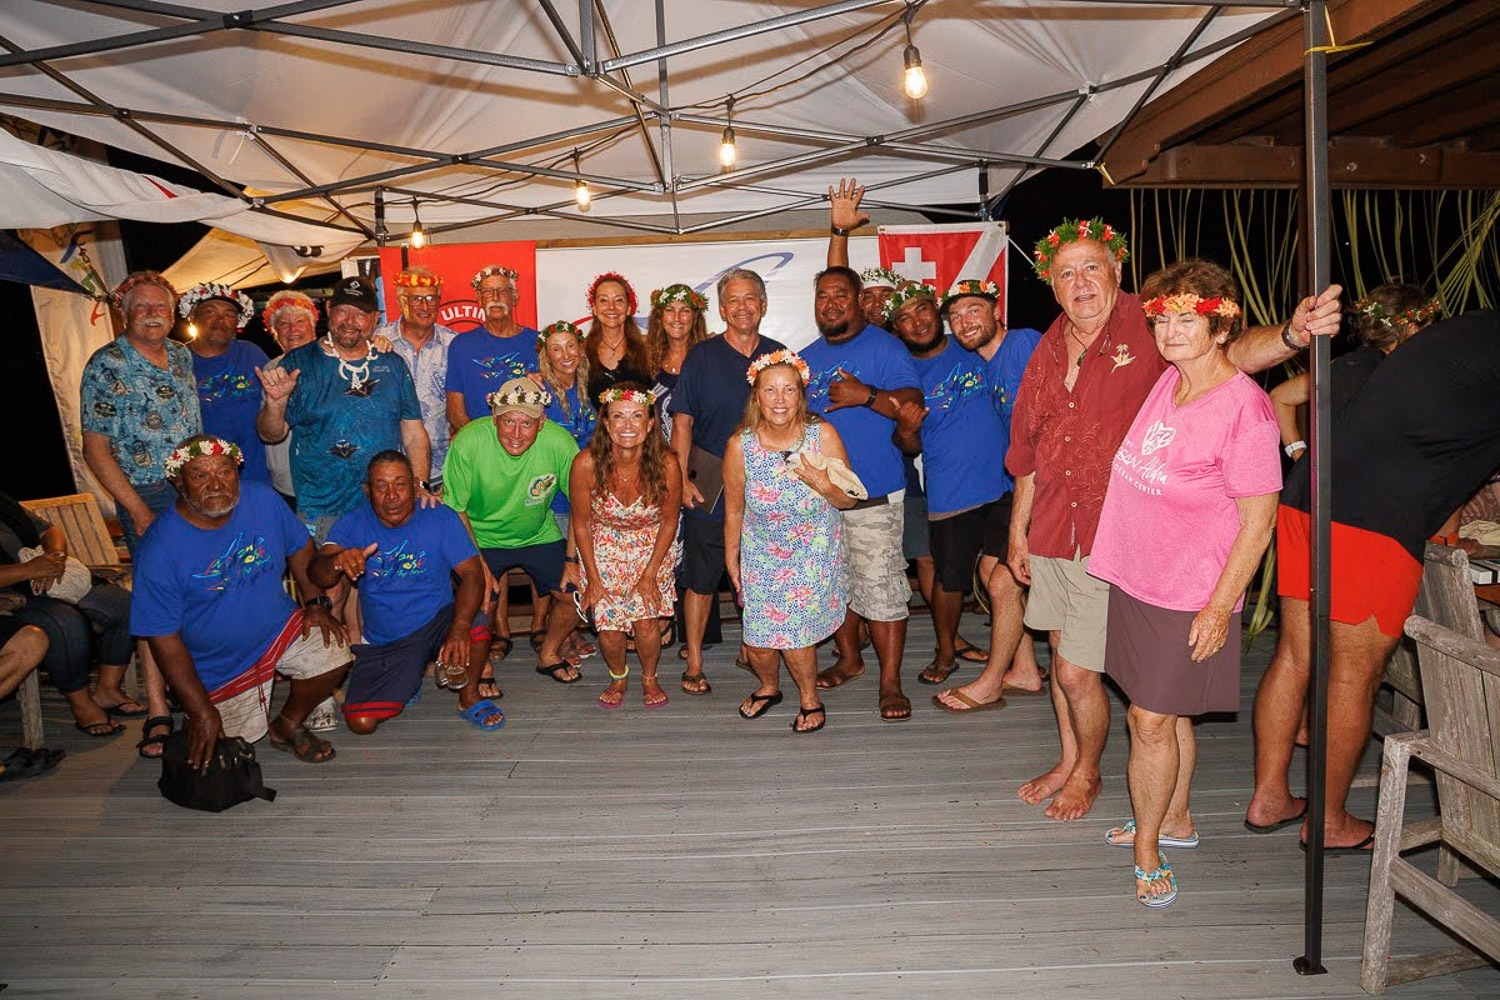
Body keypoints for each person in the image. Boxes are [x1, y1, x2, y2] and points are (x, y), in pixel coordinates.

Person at [1006, 217, 1342, 822]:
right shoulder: (1049, 343)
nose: (1080, 283)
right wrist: (1018, 529)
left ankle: (1087, 773)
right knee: (1062, 656)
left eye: (1091, 268)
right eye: (1066, 274)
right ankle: (1071, 758)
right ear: (1051, 286)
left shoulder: (1153, 322)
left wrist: (1292, 336)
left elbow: (1231, 353)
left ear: (1117, 271)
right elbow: (1029, 446)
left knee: (1083, 673)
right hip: (1056, 528)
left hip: (1118, 539)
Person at [1247, 308, 1500, 850]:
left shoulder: (1470, 331)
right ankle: (1328, 821)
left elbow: (1444, 445)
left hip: (1310, 496)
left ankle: (1270, 797)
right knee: (1353, 675)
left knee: (1296, 654)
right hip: (1374, 518)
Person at [1086, 261, 1281, 907]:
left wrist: (1219, 609)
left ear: (1221, 327)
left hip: (1190, 593)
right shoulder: (1172, 379)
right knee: (1166, 714)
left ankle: (1148, 850)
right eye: (1162, 319)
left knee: (1147, 720)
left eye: (1186, 319)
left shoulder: (1246, 412)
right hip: (1138, 579)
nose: (1169, 331)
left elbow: (1259, 523)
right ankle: (1175, 818)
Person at [130, 435, 351, 767]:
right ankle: (209, 709)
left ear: (237, 471)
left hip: (278, 631)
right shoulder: (159, 548)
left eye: (224, 471)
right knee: (221, 756)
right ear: (178, 482)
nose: (216, 484)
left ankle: (288, 725)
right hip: (219, 665)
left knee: (334, 648)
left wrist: (316, 603)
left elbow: (300, 547)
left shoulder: (262, 499)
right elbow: (163, 640)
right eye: (200, 475)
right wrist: (200, 710)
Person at [885, 282, 1043, 712]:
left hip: (1010, 484)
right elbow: (908, 444)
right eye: (905, 318)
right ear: (897, 329)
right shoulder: (904, 374)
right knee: (965, 579)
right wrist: (906, 428)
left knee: (1002, 578)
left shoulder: (989, 345)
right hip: (954, 489)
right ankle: (1010, 665)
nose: (918, 322)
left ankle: (999, 676)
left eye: (923, 310)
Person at [800, 267, 925, 722]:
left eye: (840, 294)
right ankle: (850, 659)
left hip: (874, 494)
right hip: (819, 498)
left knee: (882, 590)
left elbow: (912, 402)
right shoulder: (804, 358)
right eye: (823, 296)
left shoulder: (884, 346)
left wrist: (866, 395)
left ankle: (890, 683)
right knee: (836, 586)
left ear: (857, 301)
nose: (830, 303)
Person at [80, 270, 194, 756]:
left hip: (193, 493)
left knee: (195, 594)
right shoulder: (106, 364)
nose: (152, 314)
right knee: (156, 604)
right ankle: (158, 711)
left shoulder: (182, 355)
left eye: (160, 306)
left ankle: (194, 692)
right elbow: (95, 449)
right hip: (145, 494)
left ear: (173, 313)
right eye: (141, 306)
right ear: (123, 313)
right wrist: (137, 509)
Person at [310, 452, 499, 733]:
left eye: (400, 484)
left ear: (414, 485)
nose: (391, 495)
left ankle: (469, 698)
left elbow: (472, 574)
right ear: (368, 491)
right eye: (381, 486)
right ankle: (409, 677)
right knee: (361, 723)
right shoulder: (354, 522)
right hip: (387, 640)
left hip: (437, 621)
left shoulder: (439, 516)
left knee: (476, 625)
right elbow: (317, 573)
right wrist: (337, 561)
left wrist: (459, 628)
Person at [725, 350, 855, 733]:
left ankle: (810, 699)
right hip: (761, 553)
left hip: (813, 551)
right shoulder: (740, 446)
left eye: (789, 390)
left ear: (801, 395)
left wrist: (821, 483)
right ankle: (768, 687)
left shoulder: (822, 435)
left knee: (794, 632)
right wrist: (732, 557)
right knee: (758, 640)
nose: (779, 399)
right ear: (757, 397)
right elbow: (733, 509)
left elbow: (848, 499)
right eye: (770, 390)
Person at [671, 269, 787, 695]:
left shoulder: (780, 357)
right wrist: (681, 479)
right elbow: (682, 423)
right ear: (722, 310)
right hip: (709, 480)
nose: (743, 307)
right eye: (733, 300)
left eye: (750, 298)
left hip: (765, 483)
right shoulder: (701, 357)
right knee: (702, 577)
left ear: (763, 305)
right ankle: (694, 662)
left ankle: (749, 649)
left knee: (759, 571)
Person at [255, 275, 432, 544]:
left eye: (360, 314)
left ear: (375, 319)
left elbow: (414, 435)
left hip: (384, 506)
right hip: (321, 509)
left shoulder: (392, 364)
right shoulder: (298, 363)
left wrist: (419, 485)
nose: (350, 321)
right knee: (328, 571)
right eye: (343, 311)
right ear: (329, 310)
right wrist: (275, 404)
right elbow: (270, 434)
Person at [443, 378, 583, 684]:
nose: (516, 433)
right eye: (508, 422)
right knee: (479, 596)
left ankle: (549, 653)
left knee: (577, 595)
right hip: (480, 536)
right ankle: (480, 665)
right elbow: (455, 509)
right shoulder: (468, 442)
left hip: (538, 534)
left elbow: (581, 504)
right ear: (494, 418)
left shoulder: (559, 442)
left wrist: (572, 560)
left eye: (527, 423)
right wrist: (478, 565)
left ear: (541, 423)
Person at [570, 384, 682, 709]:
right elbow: (581, 523)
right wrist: (592, 578)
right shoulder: (586, 464)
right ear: (606, 423)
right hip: (602, 546)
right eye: (618, 417)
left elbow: (670, 522)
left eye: (637, 416)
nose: (628, 425)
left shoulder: (667, 464)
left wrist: (650, 574)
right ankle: (618, 676)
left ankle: (649, 677)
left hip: (651, 546)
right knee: (608, 626)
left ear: (650, 423)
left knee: (646, 622)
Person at [0, 492, 136, 737]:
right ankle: (81, 702)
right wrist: (27, 570)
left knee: (128, 606)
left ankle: (108, 689)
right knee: (65, 622)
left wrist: (56, 557)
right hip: (13, 592)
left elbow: (49, 530)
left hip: (52, 575)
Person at [1270, 284, 1438, 461]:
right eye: (1428, 329)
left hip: (1338, 474)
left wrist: (1300, 456)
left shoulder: (1345, 364)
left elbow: (1280, 396)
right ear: (1412, 329)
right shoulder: (1396, 374)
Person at [535, 319, 598, 668]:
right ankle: (559, 640)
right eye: (556, 349)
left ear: (581, 349)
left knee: (582, 570)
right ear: (545, 355)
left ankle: (570, 634)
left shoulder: (589, 386)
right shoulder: (539, 392)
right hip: (555, 501)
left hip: (588, 495)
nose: (565, 355)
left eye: (570, 346)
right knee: (567, 574)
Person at [376, 267, 461, 484]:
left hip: (442, 469)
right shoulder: (377, 341)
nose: (425, 306)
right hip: (387, 472)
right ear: (401, 302)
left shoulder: (455, 344)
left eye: (431, 298)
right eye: (416, 299)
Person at [183, 282, 270, 484]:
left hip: (256, 476)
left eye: (229, 314)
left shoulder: (251, 353)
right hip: (205, 480)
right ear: (193, 316)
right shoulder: (176, 359)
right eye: (210, 312)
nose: (220, 320)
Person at [446, 265, 540, 430]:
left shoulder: (539, 343)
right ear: (479, 299)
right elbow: (455, 411)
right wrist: (480, 442)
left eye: (502, 291)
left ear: (515, 297)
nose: (495, 297)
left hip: (527, 441)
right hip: (478, 441)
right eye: (488, 292)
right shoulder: (461, 345)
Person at [260, 289, 320, 506]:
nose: (293, 329)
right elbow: (269, 433)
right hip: (287, 484)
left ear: (313, 325)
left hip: (331, 483)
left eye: (300, 321)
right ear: (274, 332)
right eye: (284, 324)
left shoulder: (335, 361)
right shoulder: (270, 369)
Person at [645, 283, 710, 441]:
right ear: (660, 317)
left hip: (700, 452)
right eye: (669, 310)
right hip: (657, 451)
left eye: (685, 310)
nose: (676, 318)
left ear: (694, 317)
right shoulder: (647, 358)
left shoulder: (708, 358)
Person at [583, 272, 651, 400]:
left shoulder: (648, 348)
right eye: (603, 300)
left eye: (619, 300)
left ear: (629, 308)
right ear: (595, 308)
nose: (611, 307)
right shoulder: (581, 351)